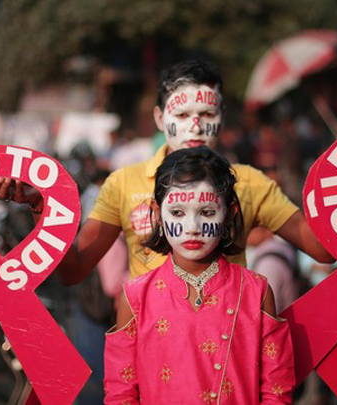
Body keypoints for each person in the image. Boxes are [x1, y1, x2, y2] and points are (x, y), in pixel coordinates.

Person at [0, 59, 337, 283]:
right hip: (150, 366)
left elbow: (322, 248)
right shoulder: (124, 183)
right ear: (158, 117)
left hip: (226, 361)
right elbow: (75, 269)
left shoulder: (250, 182)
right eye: (182, 113)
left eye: (207, 113)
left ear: (222, 117)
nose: (195, 125)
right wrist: (42, 209)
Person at [104, 146, 295, 403]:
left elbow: (277, 391)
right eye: (178, 212)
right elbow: (120, 395)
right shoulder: (136, 297)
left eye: (206, 212)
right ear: (158, 213)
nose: (192, 227)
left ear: (229, 215)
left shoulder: (255, 291)